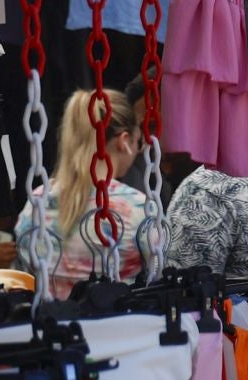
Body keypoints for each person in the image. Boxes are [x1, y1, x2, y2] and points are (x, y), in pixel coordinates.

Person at [14, 88, 151, 297]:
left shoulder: (36, 204)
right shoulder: (139, 209)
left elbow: (24, 271)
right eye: (137, 140)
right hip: (121, 325)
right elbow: (160, 275)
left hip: (52, 325)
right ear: (124, 141)